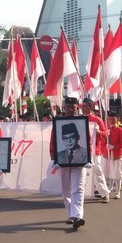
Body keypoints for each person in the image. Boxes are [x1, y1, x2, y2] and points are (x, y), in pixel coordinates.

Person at [49, 97, 92, 229]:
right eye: (68, 107)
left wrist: (88, 158)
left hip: (80, 161)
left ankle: (78, 216)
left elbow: (88, 140)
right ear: (64, 107)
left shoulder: (82, 122)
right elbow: (53, 141)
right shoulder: (58, 123)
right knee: (66, 190)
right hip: (62, 162)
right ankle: (71, 214)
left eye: (73, 107)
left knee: (78, 188)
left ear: (76, 108)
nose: (71, 109)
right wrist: (54, 158)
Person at [81, 98, 110, 203]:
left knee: (97, 171)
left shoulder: (97, 119)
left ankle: (105, 193)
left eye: (85, 106)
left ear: (90, 107)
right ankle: (82, 194)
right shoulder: (79, 119)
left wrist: (99, 132)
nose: (83, 108)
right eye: (82, 106)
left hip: (95, 150)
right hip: (82, 150)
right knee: (82, 173)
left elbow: (105, 134)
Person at [104, 112, 122, 199]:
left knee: (118, 173)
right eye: (110, 119)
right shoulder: (108, 130)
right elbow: (105, 140)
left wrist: (114, 146)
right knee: (110, 172)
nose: (111, 121)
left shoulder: (120, 130)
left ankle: (118, 192)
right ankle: (110, 188)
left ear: (117, 119)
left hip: (117, 154)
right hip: (109, 155)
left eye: (113, 119)